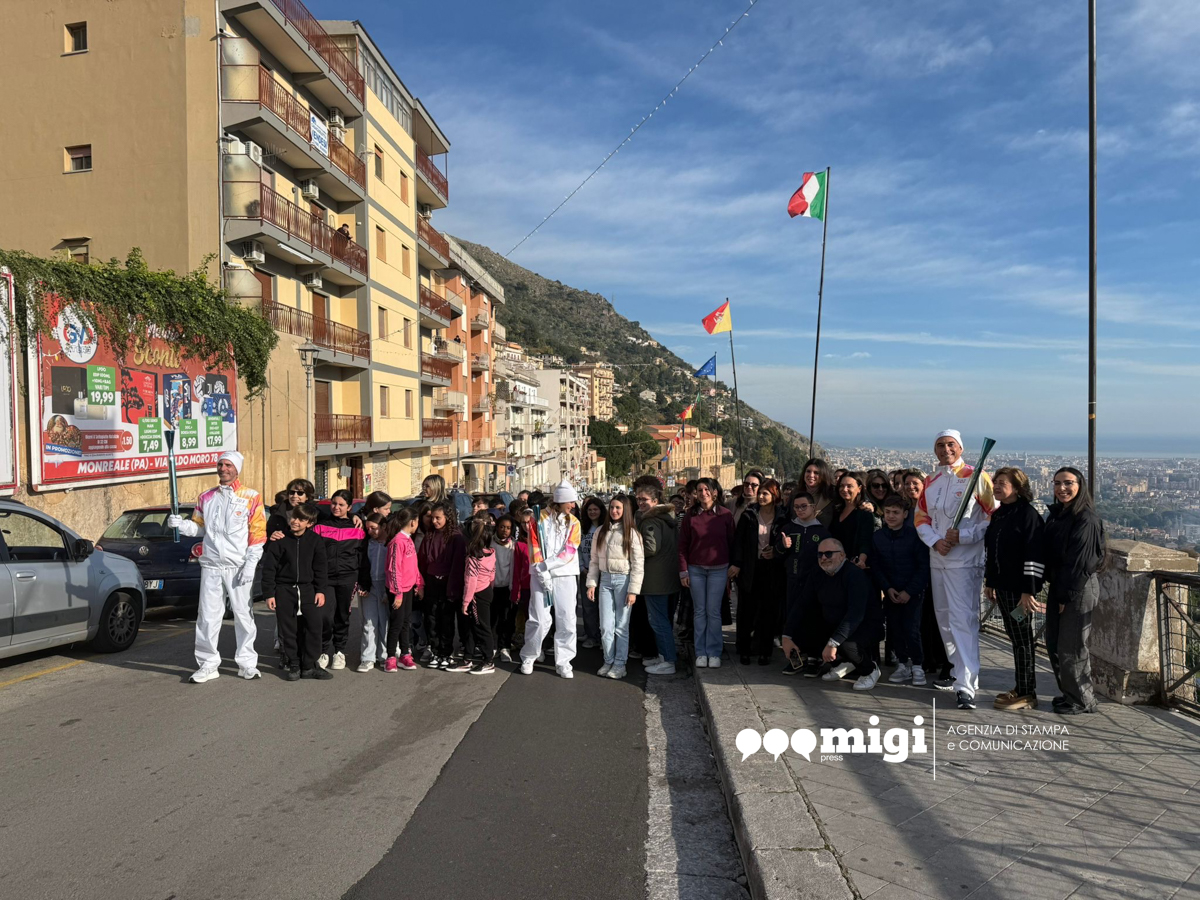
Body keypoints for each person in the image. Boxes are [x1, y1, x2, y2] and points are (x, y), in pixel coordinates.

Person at [169, 451, 267, 683]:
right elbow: (199, 528)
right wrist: (182, 525)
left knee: (243, 616)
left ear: (237, 469)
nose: (223, 469)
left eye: (228, 465)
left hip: (238, 566)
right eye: (220, 464)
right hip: (212, 566)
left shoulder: (251, 497)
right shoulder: (206, 497)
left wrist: (251, 563)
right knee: (207, 617)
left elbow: (258, 533)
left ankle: (247, 664)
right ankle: (208, 664)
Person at [914, 429, 995, 710]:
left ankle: (966, 685)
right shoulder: (931, 480)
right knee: (945, 621)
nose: (945, 449)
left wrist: (964, 536)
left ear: (960, 448)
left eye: (950, 444)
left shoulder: (976, 476)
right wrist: (935, 541)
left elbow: (992, 516)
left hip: (965, 562)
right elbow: (921, 518)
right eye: (940, 445)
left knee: (963, 621)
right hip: (938, 559)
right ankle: (959, 671)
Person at [1043, 466, 1105, 715]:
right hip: (1062, 585)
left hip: (1076, 588)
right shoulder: (1059, 515)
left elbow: (1080, 562)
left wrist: (1064, 595)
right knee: (1055, 644)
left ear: (1080, 486)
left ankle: (1082, 700)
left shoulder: (1085, 519)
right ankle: (1070, 693)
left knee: (1072, 646)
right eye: (1057, 483)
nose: (1062, 488)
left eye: (1068, 483)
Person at [782, 538, 881, 690]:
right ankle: (845, 663)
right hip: (835, 621)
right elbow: (802, 603)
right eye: (820, 554)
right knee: (805, 626)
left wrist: (833, 643)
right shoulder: (817, 573)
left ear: (842, 555)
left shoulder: (854, 575)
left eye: (828, 554)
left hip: (864, 625)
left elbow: (855, 615)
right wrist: (787, 636)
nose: (823, 558)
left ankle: (870, 670)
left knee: (847, 645)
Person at [984, 467, 1046, 710]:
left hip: (1020, 593)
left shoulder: (1027, 515)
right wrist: (990, 582)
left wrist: (1028, 591)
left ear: (1017, 488)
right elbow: (993, 551)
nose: (997, 487)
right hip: (1004, 589)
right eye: (996, 482)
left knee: (1023, 640)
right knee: (1016, 638)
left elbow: (1034, 554)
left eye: (1002, 483)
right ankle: (1021, 688)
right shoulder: (1000, 514)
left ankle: (1027, 692)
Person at [520, 481, 583, 678]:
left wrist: (547, 565)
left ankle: (564, 661)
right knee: (539, 619)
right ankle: (529, 655)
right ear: (561, 501)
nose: (573, 505)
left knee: (566, 619)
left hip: (565, 574)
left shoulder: (574, 522)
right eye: (570, 502)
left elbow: (569, 550)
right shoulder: (538, 519)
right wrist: (541, 571)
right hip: (539, 574)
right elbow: (534, 546)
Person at [261, 500, 328, 681]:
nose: (295, 521)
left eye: (301, 519)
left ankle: (309, 666)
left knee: (314, 627)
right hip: (284, 590)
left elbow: (321, 568)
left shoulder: (315, 541)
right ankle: (294, 665)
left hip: (308, 590)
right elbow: (269, 569)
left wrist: (320, 590)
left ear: (310, 523)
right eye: (294, 517)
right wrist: (269, 594)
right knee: (289, 630)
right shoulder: (279, 539)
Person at [871, 494, 929, 686]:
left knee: (911, 629)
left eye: (895, 512)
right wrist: (887, 588)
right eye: (887, 512)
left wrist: (909, 591)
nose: (891, 516)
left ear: (905, 514)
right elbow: (876, 566)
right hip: (891, 592)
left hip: (912, 593)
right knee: (895, 629)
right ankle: (902, 664)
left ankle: (918, 665)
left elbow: (923, 567)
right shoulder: (878, 537)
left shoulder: (915, 536)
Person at [586, 493, 645, 680]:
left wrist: (633, 590)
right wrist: (591, 583)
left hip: (623, 580)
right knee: (605, 626)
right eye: (612, 507)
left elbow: (638, 564)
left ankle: (620, 664)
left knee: (621, 626)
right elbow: (594, 561)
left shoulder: (632, 534)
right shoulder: (600, 531)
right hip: (605, 580)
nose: (614, 511)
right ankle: (608, 660)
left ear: (625, 510)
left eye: (618, 507)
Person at [679, 477, 735, 668]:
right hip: (695, 569)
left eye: (707, 489)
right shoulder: (691, 516)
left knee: (713, 611)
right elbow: (682, 545)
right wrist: (683, 571)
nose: (703, 493)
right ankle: (701, 652)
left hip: (719, 569)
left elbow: (732, 542)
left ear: (715, 492)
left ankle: (714, 651)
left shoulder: (725, 515)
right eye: (700, 490)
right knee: (699, 611)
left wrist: (733, 567)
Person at [774, 491, 832, 675]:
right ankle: (795, 658)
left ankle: (815, 659)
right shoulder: (789, 528)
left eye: (804, 506)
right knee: (793, 618)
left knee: (814, 620)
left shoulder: (822, 531)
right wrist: (783, 546)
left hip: (814, 584)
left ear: (813, 507)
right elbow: (777, 555)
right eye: (796, 507)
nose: (800, 510)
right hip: (793, 581)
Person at [732, 478, 784, 666]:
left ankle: (765, 651)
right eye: (760, 493)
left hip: (771, 569)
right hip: (750, 568)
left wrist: (776, 551)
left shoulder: (782, 516)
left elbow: (786, 542)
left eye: (765, 493)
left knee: (768, 612)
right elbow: (739, 542)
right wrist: (737, 564)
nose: (761, 496)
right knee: (746, 610)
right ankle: (744, 650)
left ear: (774, 495)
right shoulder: (749, 515)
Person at [313, 490, 367, 671]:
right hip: (325, 579)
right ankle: (323, 651)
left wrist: (363, 581)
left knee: (342, 616)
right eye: (334, 503)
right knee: (325, 616)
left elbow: (362, 557)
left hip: (348, 577)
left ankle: (339, 651)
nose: (336, 507)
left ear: (349, 507)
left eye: (341, 505)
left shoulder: (358, 528)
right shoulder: (321, 525)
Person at [634, 476, 680, 676]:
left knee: (658, 621)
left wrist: (632, 552)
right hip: (668, 577)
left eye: (644, 499)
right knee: (663, 620)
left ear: (654, 501)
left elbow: (651, 547)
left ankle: (668, 661)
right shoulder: (667, 518)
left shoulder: (651, 520)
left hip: (656, 579)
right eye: (638, 499)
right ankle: (663, 656)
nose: (640, 503)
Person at [418, 500, 467, 668]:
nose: (434, 521)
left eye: (438, 518)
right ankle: (435, 650)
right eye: (432, 518)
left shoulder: (456, 537)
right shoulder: (429, 535)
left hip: (449, 582)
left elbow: (458, 565)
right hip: (431, 581)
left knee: (446, 619)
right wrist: (421, 584)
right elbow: (422, 560)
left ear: (448, 517)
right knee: (431, 618)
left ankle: (446, 652)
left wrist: (453, 588)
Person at [383, 508, 423, 672]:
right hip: (397, 590)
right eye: (417, 521)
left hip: (408, 588)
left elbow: (413, 565)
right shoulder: (397, 541)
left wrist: (419, 584)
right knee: (396, 623)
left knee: (406, 622)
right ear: (412, 522)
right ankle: (390, 656)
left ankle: (405, 654)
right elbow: (394, 569)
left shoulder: (409, 540)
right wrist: (397, 593)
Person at [458, 514, 497, 675]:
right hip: (487, 590)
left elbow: (471, 581)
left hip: (477, 594)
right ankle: (469, 657)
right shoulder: (491, 553)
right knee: (477, 626)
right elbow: (492, 574)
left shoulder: (473, 557)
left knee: (481, 628)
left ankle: (488, 660)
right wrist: (489, 588)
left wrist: (465, 602)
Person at [490, 514, 529, 662]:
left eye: (508, 528)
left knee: (507, 619)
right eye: (502, 527)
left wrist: (514, 589)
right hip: (492, 587)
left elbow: (516, 569)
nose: (504, 530)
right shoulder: (490, 543)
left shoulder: (514, 545)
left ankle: (504, 647)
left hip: (508, 587)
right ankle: (492, 646)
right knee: (491, 618)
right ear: (496, 527)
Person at [357, 512, 390, 673]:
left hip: (386, 585)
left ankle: (384, 656)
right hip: (369, 586)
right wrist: (362, 585)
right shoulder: (366, 543)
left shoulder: (390, 544)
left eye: (374, 528)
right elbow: (361, 564)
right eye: (368, 528)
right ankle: (367, 658)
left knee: (385, 622)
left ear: (383, 527)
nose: (370, 531)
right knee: (369, 622)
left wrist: (389, 590)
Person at [577, 496, 607, 650]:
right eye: (589, 510)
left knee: (603, 607)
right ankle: (591, 635)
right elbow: (577, 549)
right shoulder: (582, 528)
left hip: (602, 573)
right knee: (588, 606)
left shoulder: (606, 528)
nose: (592, 512)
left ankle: (603, 637)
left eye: (595, 509)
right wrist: (582, 567)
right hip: (586, 572)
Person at [830, 472, 875, 569]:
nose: (844, 489)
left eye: (849, 486)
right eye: (841, 486)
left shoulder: (864, 513)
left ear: (859, 489)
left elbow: (865, 541)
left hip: (853, 565)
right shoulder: (836, 511)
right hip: (835, 564)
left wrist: (861, 560)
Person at [801, 459, 837, 527]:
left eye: (816, 473)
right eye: (808, 471)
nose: (811, 475)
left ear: (824, 475)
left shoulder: (833, 495)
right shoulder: (795, 494)